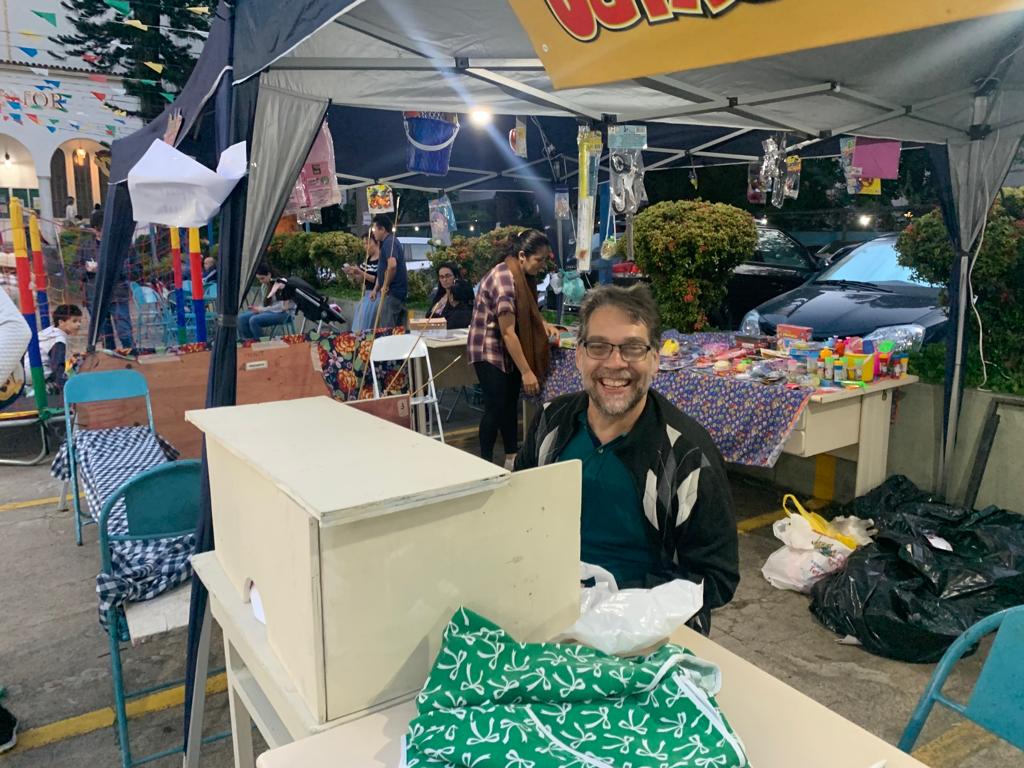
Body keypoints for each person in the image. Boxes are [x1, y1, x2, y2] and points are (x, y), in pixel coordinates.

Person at [514, 284, 739, 633]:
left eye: (633, 348)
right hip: (546, 607)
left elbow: (717, 577)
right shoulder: (551, 423)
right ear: (579, 356)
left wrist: (623, 605)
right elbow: (519, 516)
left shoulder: (688, 455)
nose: (615, 363)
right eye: (599, 346)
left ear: (655, 360)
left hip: (641, 630)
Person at [468, 229, 556, 467]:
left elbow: (528, 312)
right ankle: (484, 463)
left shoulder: (522, 276)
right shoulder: (504, 279)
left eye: (545, 260)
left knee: (509, 405)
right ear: (522, 256)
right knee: (496, 406)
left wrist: (543, 325)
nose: (542, 265)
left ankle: (511, 459)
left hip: (506, 347)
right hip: (488, 347)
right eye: (539, 260)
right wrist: (526, 371)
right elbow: (508, 332)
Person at [24, 304, 82, 394]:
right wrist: (62, 386)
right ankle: (48, 388)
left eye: (80, 321)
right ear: (61, 322)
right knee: (71, 373)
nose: (79, 324)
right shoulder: (59, 339)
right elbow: (57, 364)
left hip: (26, 372)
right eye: (74, 321)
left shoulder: (48, 332)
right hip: (38, 373)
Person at [368, 214, 407, 328]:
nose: (374, 233)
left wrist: (386, 285)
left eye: (375, 230)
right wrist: (376, 289)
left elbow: (392, 265)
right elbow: (383, 270)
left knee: (388, 328)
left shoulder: (390, 242)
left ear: (382, 229)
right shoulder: (385, 243)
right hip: (389, 292)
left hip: (393, 293)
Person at [237, 264, 295, 340]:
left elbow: (282, 307)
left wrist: (262, 309)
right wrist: (257, 308)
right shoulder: (265, 286)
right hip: (270, 310)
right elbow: (265, 304)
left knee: (254, 320)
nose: (261, 281)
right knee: (241, 318)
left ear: (269, 274)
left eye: (262, 278)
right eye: (259, 279)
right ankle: (249, 341)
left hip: (284, 313)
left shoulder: (281, 284)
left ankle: (261, 343)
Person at [343, 232, 381, 332]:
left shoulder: (381, 259)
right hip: (366, 296)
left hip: (376, 296)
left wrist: (360, 272)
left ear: (377, 243)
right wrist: (352, 274)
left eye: (368, 243)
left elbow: (377, 279)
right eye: (364, 244)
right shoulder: (368, 260)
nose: (366, 246)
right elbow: (361, 279)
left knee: (366, 325)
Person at [426, 262, 473, 330]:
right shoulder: (439, 296)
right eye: (441, 277)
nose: (444, 280)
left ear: (455, 276)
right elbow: (428, 316)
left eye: (448, 276)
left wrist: (434, 316)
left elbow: (453, 320)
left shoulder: (460, 295)